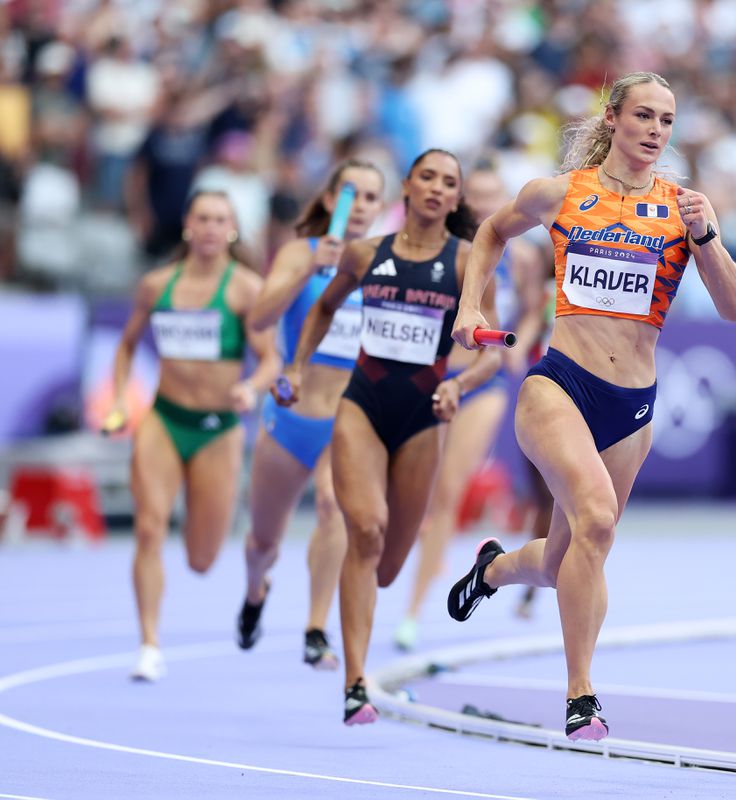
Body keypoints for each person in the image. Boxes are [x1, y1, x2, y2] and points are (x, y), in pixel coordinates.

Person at [444, 72, 736, 742]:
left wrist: (708, 241)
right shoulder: (561, 194)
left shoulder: (683, 207)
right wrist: (472, 304)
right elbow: (492, 232)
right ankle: (581, 693)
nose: (655, 130)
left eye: (667, 121)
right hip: (559, 385)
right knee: (599, 521)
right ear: (613, 118)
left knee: (565, 562)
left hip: (632, 404)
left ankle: (493, 568)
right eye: (643, 115)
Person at [274, 149, 500, 724]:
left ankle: (361, 614)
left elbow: (491, 355)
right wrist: (297, 366)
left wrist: (461, 383)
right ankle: (355, 684)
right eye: (427, 176)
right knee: (365, 531)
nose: (435, 188)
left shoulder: (468, 262)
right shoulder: (366, 253)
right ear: (407, 186)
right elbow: (323, 309)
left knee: (388, 564)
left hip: (425, 414)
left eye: (448, 182)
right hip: (364, 402)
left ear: (455, 199)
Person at [107, 190, 279, 682]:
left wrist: (250, 386)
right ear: (187, 225)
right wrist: (121, 400)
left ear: (232, 229)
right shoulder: (156, 284)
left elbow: (271, 359)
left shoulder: (246, 288)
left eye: (220, 219)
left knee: (202, 559)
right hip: (164, 419)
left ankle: (255, 586)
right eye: (201, 217)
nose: (209, 227)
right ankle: (149, 644)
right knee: (147, 528)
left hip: (217, 429)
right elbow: (124, 348)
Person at [393, 163, 550, 651]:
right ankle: (420, 556)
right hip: (425, 381)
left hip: (481, 385)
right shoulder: (445, 250)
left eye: (491, 196)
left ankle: (413, 612)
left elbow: (530, 307)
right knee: (408, 492)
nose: (483, 205)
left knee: (447, 495)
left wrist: (516, 347)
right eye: (475, 196)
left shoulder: (520, 257)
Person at [236, 159, 386, 668]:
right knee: (262, 541)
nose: (361, 205)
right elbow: (258, 317)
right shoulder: (300, 253)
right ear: (330, 200)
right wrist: (308, 265)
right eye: (352, 194)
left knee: (330, 506)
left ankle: (316, 627)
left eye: (371, 197)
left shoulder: (383, 262)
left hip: (346, 417)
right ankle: (256, 591)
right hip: (289, 418)